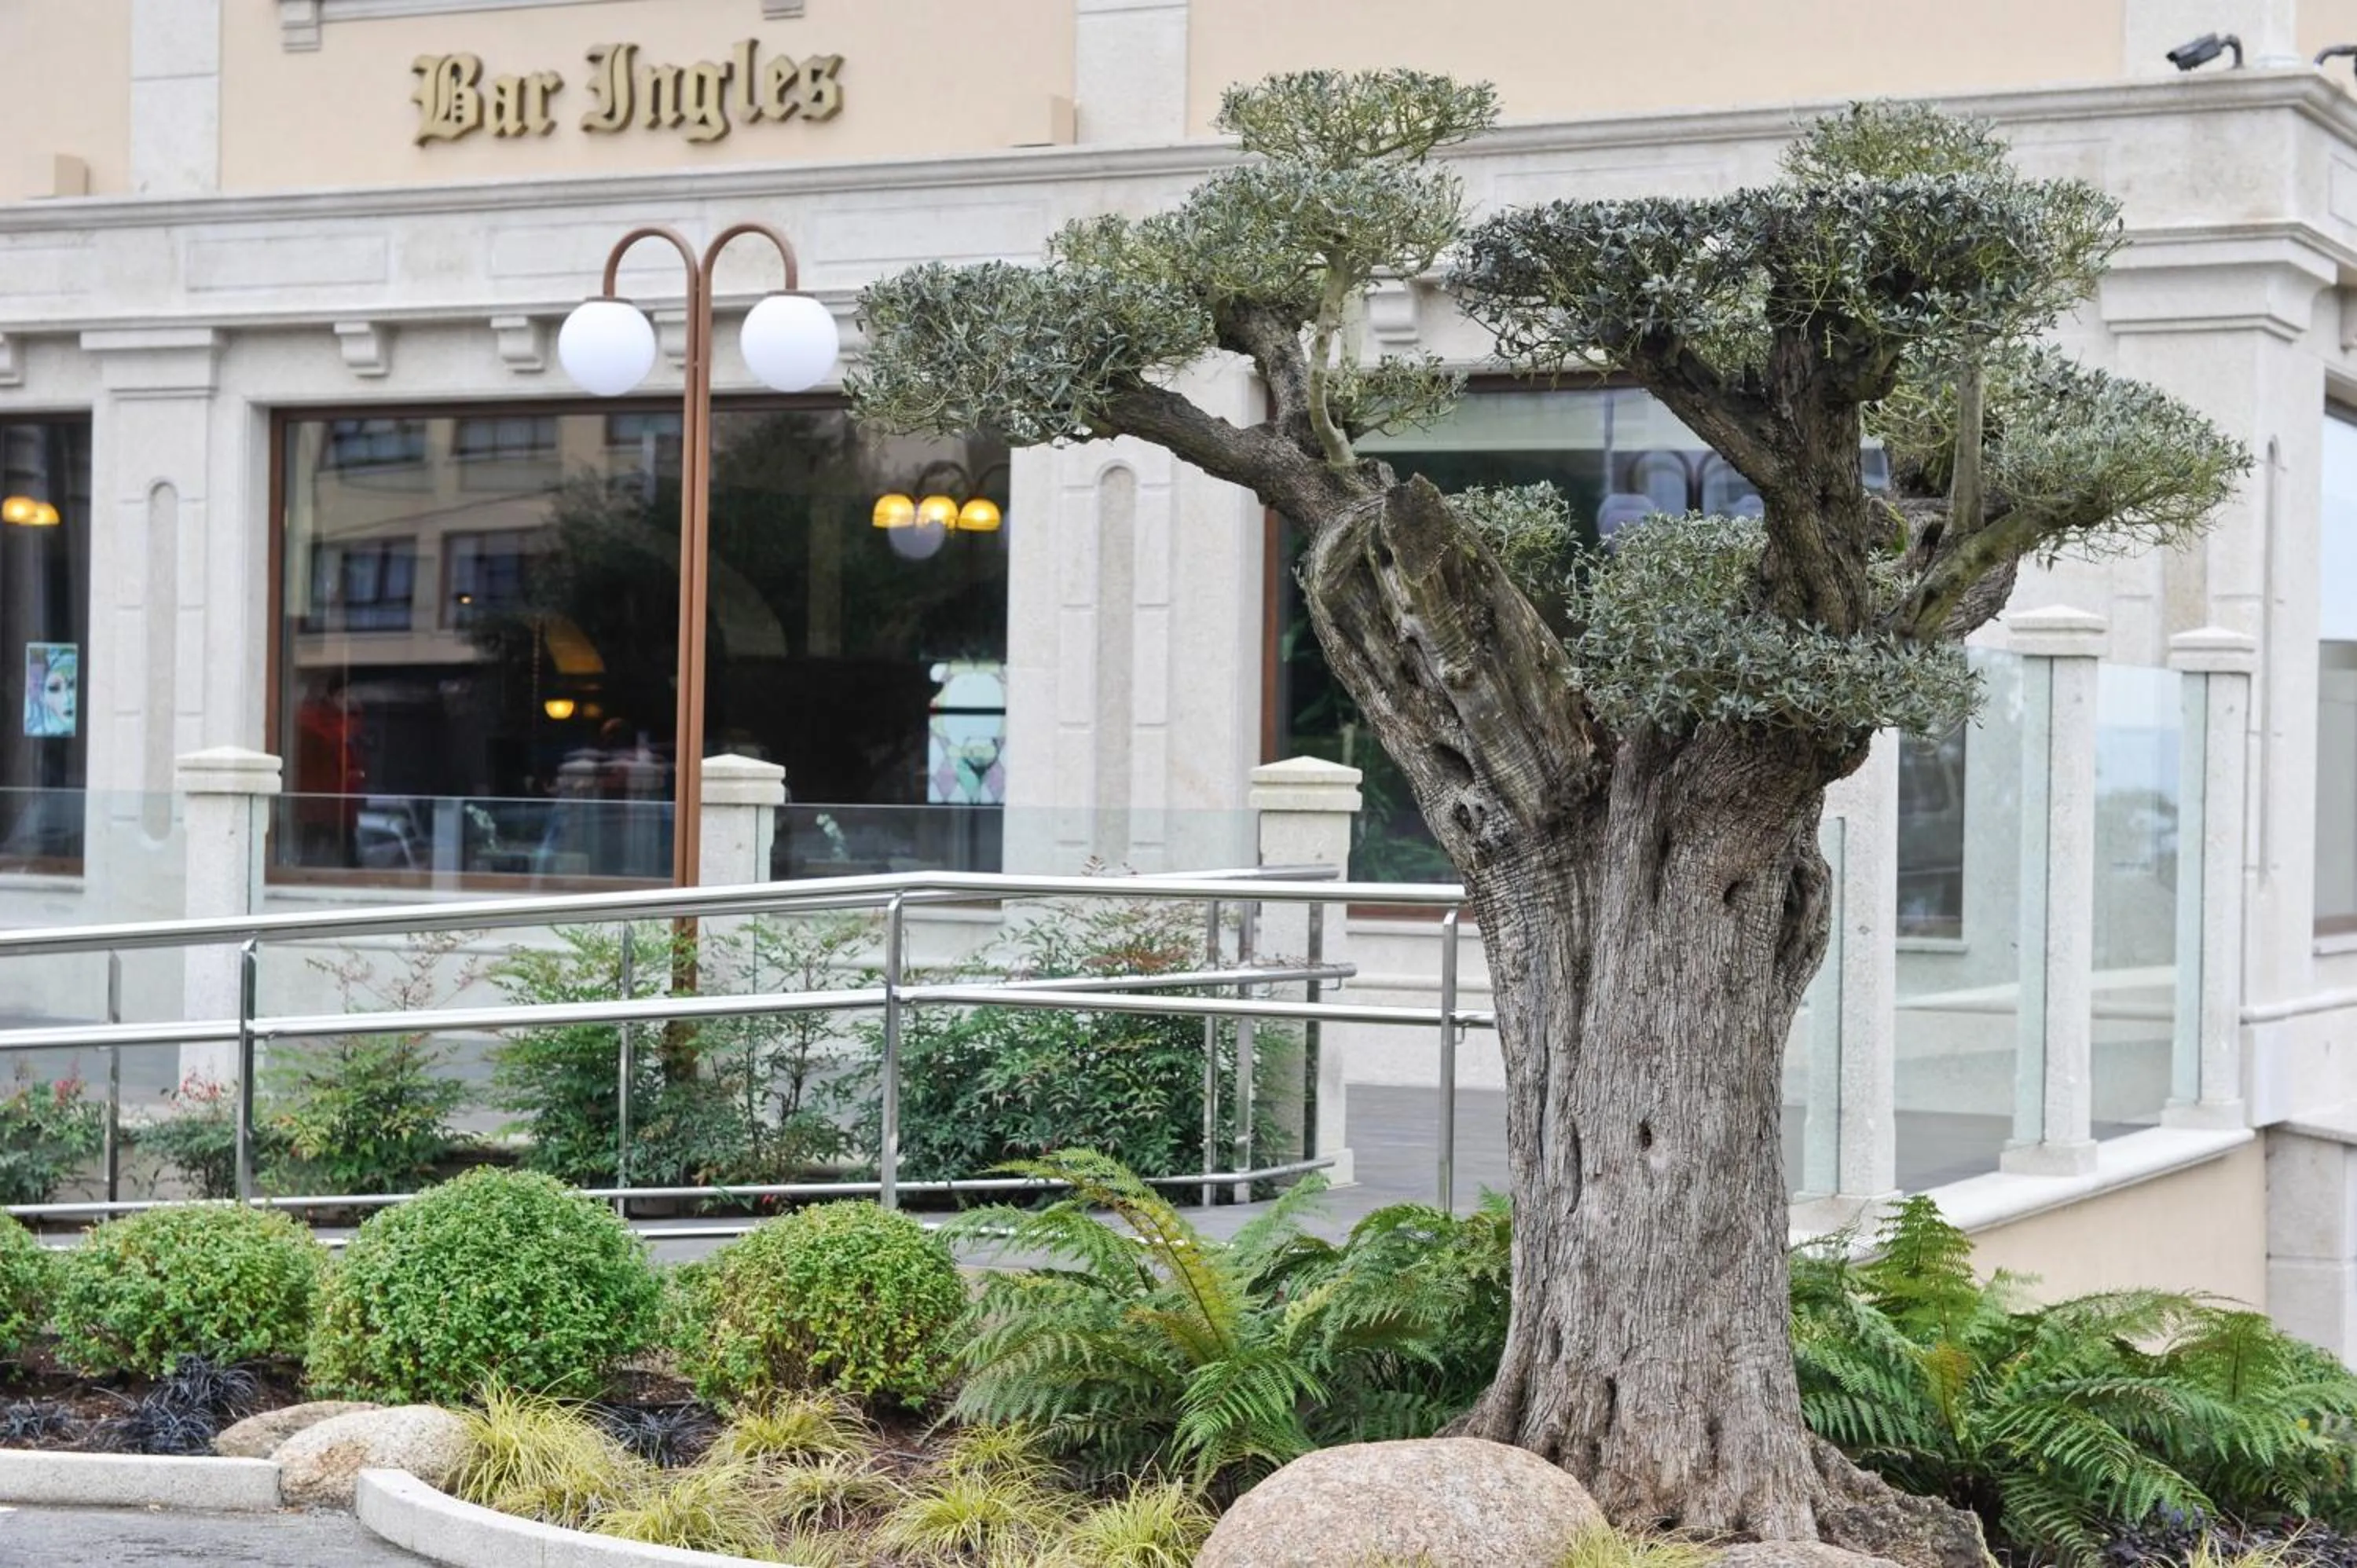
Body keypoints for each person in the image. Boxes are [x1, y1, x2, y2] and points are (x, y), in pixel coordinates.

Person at [292, 672, 367, 866]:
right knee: (311, 857)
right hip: (318, 804)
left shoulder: (351, 724)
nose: (350, 700)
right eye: (344, 695)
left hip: (343, 805)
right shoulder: (315, 724)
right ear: (332, 696)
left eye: (353, 695)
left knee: (346, 856)